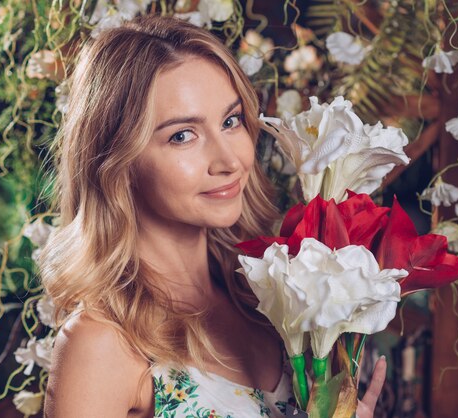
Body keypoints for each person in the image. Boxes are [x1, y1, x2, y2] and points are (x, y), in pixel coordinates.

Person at [39, 13, 386, 418]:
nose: (229, 160)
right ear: (118, 162)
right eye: (182, 135)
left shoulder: (269, 301)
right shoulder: (102, 344)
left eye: (230, 121)